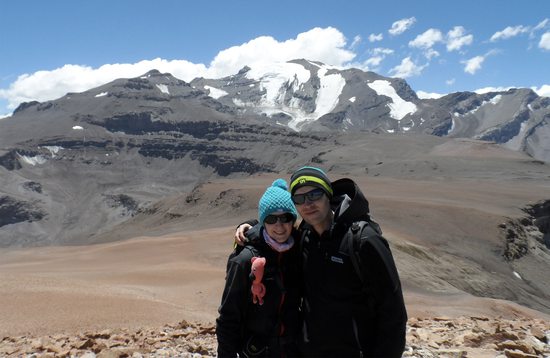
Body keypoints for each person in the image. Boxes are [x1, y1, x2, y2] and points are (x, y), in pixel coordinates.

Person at [236, 166, 407, 357]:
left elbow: (394, 313)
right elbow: (275, 231)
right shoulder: (305, 236)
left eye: (314, 195)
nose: (307, 204)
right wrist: (249, 226)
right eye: (299, 199)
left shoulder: (362, 240)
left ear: (328, 194)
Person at [217, 179, 303, 358]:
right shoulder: (245, 260)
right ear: (263, 222)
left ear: (293, 220)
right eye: (271, 219)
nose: (279, 226)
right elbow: (228, 317)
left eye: (285, 217)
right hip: (258, 352)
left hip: (293, 350)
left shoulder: (300, 250)